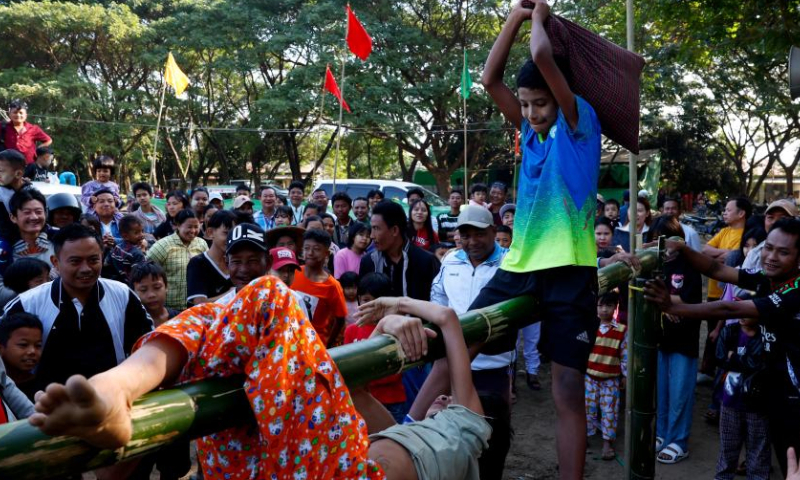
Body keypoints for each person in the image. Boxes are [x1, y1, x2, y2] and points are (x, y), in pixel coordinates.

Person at [29, 280, 492, 480]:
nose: (444, 399)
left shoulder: (466, 428)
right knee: (220, 321)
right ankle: (117, 390)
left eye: (447, 401)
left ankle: (121, 388)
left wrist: (399, 304)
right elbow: (349, 386)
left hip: (333, 472)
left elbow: (450, 320)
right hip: (286, 464)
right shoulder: (405, 428)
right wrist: (383, 330)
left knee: (266, 297)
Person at [464, 2, 603, 477]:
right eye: (524, 104)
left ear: (560, 97)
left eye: (539, 103)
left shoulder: (577, 119)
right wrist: (513, 19)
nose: (530, 112)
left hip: (570, 271)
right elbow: (489, 80)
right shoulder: (530, 132)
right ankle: (415, 434)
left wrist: (539, 15)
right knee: (460, 340)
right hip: (519, 267)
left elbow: (543, 56)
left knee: (566, 390)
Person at [643, 218, 800, 476]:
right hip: (777, 389)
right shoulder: (767, 277)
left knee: (792, 461)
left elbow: (731, 308)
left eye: (783, 252)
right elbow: (717, 270)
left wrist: (673, 306)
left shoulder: (795, 288)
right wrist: (683, 248)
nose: (771, 256)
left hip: (795, 398)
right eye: (768, 248)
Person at [2, 224, 153, 394]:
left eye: (93, 260)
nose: (86, 268)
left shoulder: (122, 295)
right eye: (75, 261)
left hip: (110, 402)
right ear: (56, 263)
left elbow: (147, 346)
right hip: (46, 408)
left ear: (102, 257)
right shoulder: (27, 303)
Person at [429, 205, 514, 478]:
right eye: (465, 235)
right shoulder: (451, 260)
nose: (472, 242)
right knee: (453, 434)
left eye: (478, 234)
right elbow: (438, 298)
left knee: (491, 438)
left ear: (492, 231)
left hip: (493, 367)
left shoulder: (511, 262)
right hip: (453, 365)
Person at [640, 216, 703, 464]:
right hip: (661, 338)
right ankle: (663, 433)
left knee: (680, 393)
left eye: (664, 240)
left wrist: (667, 303)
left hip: (684, 341)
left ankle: (679, 441)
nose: (660, 245)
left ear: (678, 240)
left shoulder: (690, 266)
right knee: (662, 392)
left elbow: (690, 302)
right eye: (655, 240)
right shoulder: (654, 263)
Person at [699, 196, 752, 387]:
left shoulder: (747, 236)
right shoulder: (724, 231)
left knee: (727, 334)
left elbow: (737, 258)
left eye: (728, 210)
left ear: (741, 213)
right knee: (713, 329)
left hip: (734, 293)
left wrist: (722, 257)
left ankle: (721, 371)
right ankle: (707, 369)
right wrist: (726, 255)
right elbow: (706, 250)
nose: (725, 213)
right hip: (715, 290)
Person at [344, 272, 407, 423]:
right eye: (366, 300)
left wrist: (365, 377)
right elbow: (349, 368)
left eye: (377, 301)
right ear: (359, 300)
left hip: (392, 399)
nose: (372, 306)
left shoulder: (395, 327)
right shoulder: (352, 330)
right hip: (363, 400)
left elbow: (396, 369)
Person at [714, 318, 770, 479]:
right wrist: (744, 361)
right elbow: (720, 358)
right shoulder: (729, 331)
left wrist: (734, 359)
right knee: (727, 453)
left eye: (748, 310)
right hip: (729, 401)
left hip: (757, 403)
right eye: (739, 310)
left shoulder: (766, 334)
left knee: (758, 456)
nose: (743, 315)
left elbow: (761, 365)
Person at [361, 200, 441, 302]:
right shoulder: (369, 262)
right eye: (371, 228)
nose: (371, 236)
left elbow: (437, 303)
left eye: (376, 228)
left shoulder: (426, 261)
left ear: (394, 230)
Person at [585, 291, 627, 461]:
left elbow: (625, 355)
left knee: (610, 411)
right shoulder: (590, 328)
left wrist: (625, 375)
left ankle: (607, 444)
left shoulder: (621, 330)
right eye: (600, 305)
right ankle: (584, 439)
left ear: (615, 308)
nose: (604, 310)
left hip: (611, 379)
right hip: (589, 377)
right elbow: (583, 351)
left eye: (609, 306)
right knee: (588, 410)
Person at [292, 229, 347, 347]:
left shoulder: (332, 286)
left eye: (316, 249)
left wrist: (329, 343)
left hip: (315, 345)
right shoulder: (294, 273)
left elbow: (340, 318)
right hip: (291, 340)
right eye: (306, 248)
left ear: (326, 254)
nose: (310, 253)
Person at [146, 209, 208, 310]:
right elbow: (146, 270)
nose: (193, 231)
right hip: (170, 307)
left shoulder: (202, 244)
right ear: (178, 225)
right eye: (189, 227)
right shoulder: (163, 245)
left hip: (195, 306)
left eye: (196, 227)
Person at [186, 210, 236, 306]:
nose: (231, 238)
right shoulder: (197, 263)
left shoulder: (237, 263)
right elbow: (200, 305)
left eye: (234, 234)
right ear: (210, 232)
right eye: (226, 233)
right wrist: (231, 294)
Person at [741, 198, 797, 273]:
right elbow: (744, 279)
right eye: (770, 217)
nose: (774, 222)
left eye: (783, 218)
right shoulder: (755, 253)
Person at [0, 311, 42, 400]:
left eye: (38, 345)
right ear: (1, 348)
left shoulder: (41, 389)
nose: (32, 351)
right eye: (23, 345)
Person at [8, 188, 54, 268]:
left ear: (46, 214)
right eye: (27, 212)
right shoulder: (5, 249)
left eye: (38, 212)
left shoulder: (58, 243)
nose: (34, 217)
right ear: (13, 217)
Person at [2, 100, 51, 165]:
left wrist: (37, 150)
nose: (18, 115)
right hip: (8, 166)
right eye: (15, 112)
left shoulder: (33, 129)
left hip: (28, 166)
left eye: (21, 113)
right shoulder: (3, 127)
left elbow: (48, 140)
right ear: (10, 114)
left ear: (26, 115)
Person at [130, 261, 178, 327]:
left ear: (166, 287)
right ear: (133, 292)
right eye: (143, 290)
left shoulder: (179, 319)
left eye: (157, 287)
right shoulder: (130, 325)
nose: (151, 295)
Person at [106, 215, 146, 283]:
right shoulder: (137, 254)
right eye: (137, 233)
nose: (142, 235)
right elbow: (141, 274)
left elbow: (107, 263)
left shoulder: (117, 247)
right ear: (125, 236)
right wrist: (143, 251)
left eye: (142, 231)